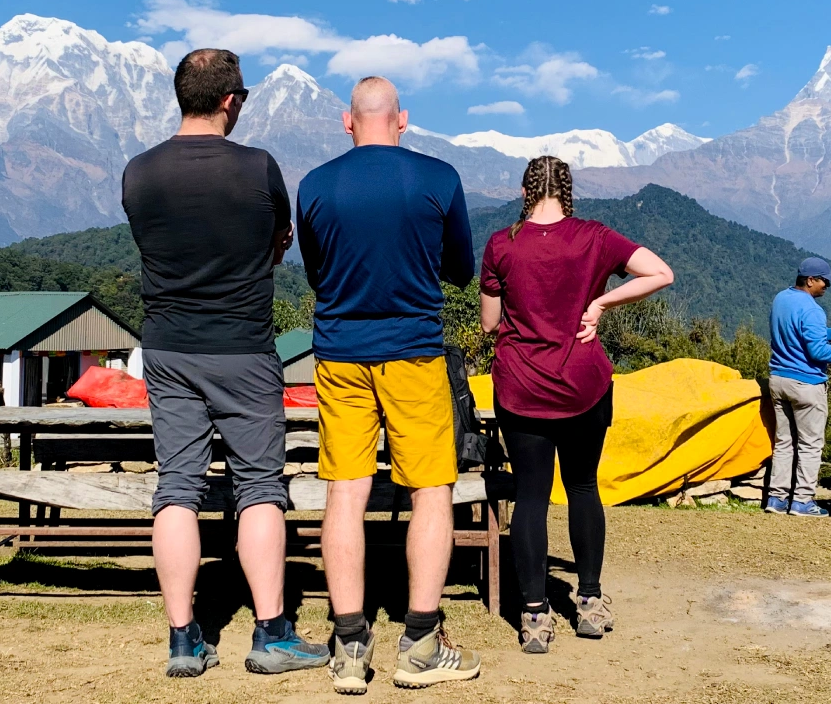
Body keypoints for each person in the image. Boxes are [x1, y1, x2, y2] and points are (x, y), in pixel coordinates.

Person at [122, 48, 329, 678]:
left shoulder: (138, 172)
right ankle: (272, 634)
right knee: (260, 488)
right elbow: (277, 244)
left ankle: (183, 639)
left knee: (177, 488)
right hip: (244, 348)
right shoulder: (258, 167)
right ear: (229, 99)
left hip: (167, 347)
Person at [296, 76, 479, 693]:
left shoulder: (315, 185)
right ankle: (421, 643)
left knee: (345, 492)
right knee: (430, 490)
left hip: (339, 354)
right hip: (414, 353)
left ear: (347, 122)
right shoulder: (439, 178)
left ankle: (349, 645)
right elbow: (461, 269)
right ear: (402, 120)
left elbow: (318, 273)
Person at [479, 155, 673, 654]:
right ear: (568, 193)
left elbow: (488, 323)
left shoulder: (501, 244)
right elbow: (660, 273)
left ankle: (533, 615)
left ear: (525, 192)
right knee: (583, 488)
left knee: (531, 497)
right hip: (584, 384)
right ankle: (588, 601)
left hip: (521, 386)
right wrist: (601, 303)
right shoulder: (595, 237)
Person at [764, 257, 831, 518]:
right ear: (810, 280)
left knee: (784, 442)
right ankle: (802, 501)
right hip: (806, 383)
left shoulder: (781, 299)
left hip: (778, 379)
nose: (827, 286)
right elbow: (817, 351)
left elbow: (796, 330)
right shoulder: (813, 309)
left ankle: (777, 498)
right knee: (810, 445)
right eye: (824, 281)